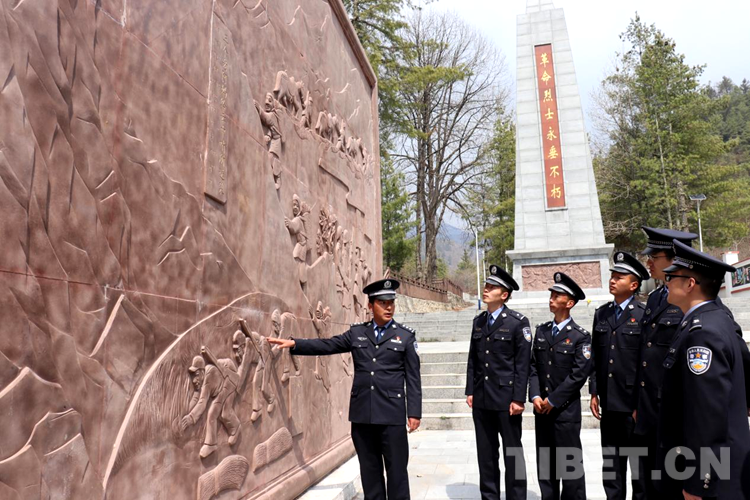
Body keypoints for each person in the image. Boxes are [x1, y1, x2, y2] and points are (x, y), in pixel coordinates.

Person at [267, 279, 421, 500]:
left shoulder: (405, 336)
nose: (389, 307)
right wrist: (296, 344)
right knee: (370, 474)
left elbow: (413, 378)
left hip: (391, 417)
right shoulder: (357, 333)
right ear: (370, 306)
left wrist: (414, 412)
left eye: (391, 303)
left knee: (397, 475)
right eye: (383, 303)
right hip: (363, 417)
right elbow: (328, 344)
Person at [656, 240, 750, 499]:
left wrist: (699, 482)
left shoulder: (702, 333)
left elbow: (707, 415)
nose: (666, 282)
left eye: (672, 277)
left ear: (690, 284)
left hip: (712, 479)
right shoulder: (712, 320)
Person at [630, 227, 699, 498]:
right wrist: (638, 403)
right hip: (649, 410)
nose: (648, 262)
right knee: (652, 484)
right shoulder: (657, 296)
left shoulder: (694, 299)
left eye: (654, 257)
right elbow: (645, 352)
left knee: (673, 484)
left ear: (675, 259)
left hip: (674, 410)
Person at [466, 265, 531, 500]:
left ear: (504, 294)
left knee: (513, 453)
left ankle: (517, 496)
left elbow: (523, 364)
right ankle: (489, 496)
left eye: (492, 287)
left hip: (506, 399)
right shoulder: (479, 321)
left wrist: (518, 398)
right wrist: (470, 390)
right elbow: (473, 359)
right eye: (486, 285)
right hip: (482, 398)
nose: (486, 289)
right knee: (486, 454)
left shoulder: (517, 322)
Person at [588, 251, 649, 500]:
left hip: (632, 404)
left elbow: (647, 363)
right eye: (612, 275)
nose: (612, 280)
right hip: (609, 402)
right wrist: (594, 391)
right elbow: (595, 356)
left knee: (639, 471)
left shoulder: (644, 315)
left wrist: (640, 404)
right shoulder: (601, 313)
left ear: (633, 285)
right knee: (612, 467)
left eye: (619, 277)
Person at [529, 272, 592, 500]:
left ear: (570, 303)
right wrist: (535, 396)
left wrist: (553, 400)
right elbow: (533, 367)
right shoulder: (542, 331)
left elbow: (578, 375)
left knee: (570, 467)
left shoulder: (580, 337)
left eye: (557, 296)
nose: (551, 299)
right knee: (546, 468)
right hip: (542, 410)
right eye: (551, 295)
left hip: (565, 412)